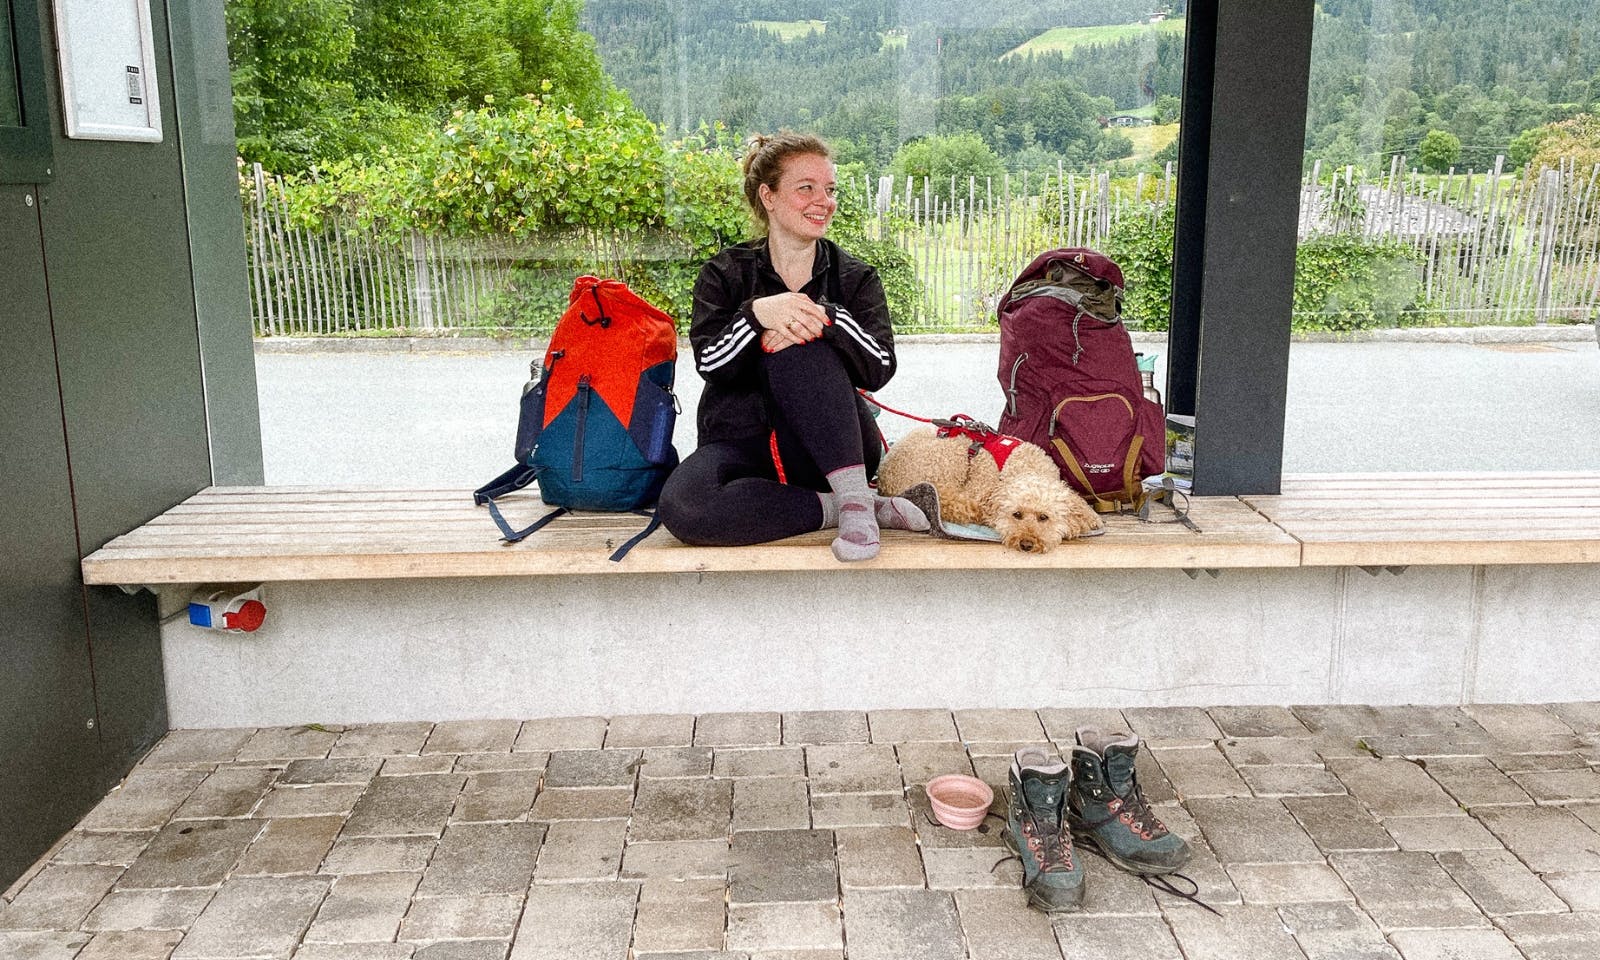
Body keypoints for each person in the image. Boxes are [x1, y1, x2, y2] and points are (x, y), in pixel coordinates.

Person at [658, 132, 929, 561]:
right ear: (768, 196)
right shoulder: (724, 273)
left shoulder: (855, 277)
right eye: (806, 188)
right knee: (684, 507)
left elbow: (879, 367)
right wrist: (757, 316)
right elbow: (710, 362)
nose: (824, 201)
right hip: (740, 443)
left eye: (830, 189)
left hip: (830, 450)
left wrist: (826, 321)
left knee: (801, 345)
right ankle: (846, 509)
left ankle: (855, 500)